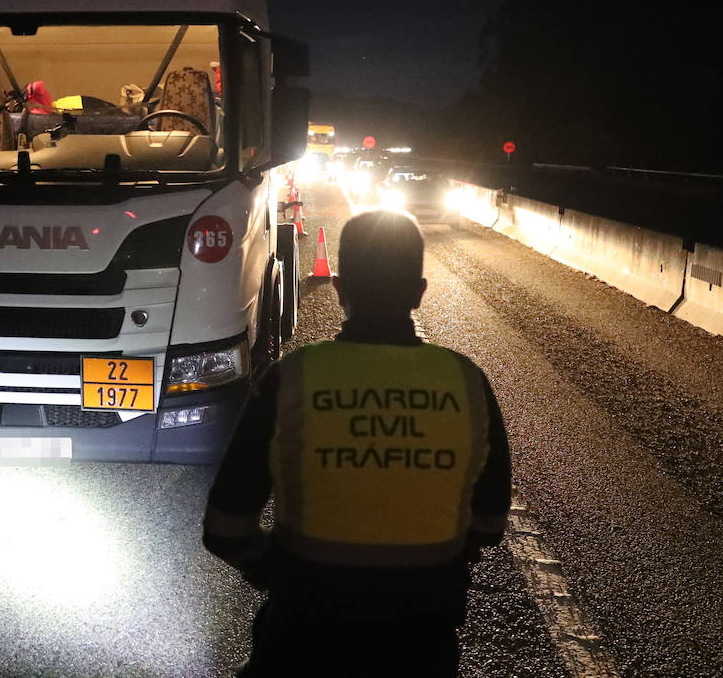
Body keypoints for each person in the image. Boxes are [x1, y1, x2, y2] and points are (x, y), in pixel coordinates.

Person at [203, 210, 512, 677]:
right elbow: (489, 525)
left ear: (341, 289)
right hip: (421, 645)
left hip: (302, 640)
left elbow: (225, 527)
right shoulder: (466, 381)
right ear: (420, 293)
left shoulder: (292, 378)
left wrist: (272, 568)